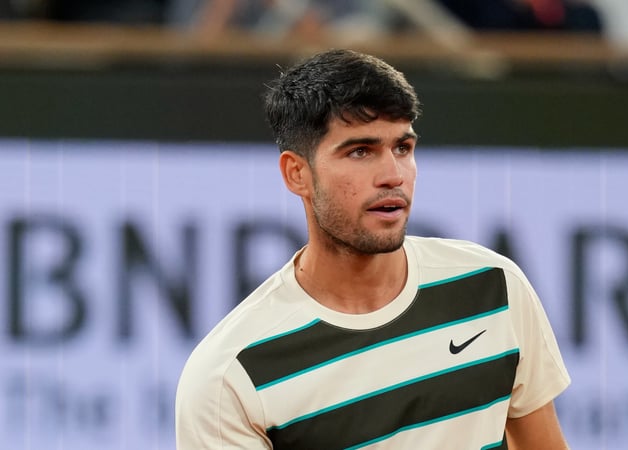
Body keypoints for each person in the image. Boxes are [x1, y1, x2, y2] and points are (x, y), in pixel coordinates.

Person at [174, 49, 571, 449]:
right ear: (297, 174)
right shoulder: (228, 378)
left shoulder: (494, 286)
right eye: (360, 151)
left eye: (403, 148)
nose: (392, 175)